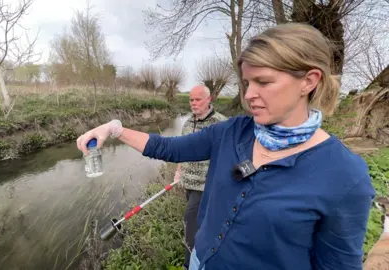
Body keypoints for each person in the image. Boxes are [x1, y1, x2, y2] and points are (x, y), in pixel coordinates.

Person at [76, 23, 375, 270]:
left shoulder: (346, 176)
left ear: (309, 81)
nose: (249, 96)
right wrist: (115, 129)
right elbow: (169, 148)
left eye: (264, 82)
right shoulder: (232, 131)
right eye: (247, 83)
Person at [174, 84, 227, 269]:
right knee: (201, 223)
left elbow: (228, 156)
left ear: (209, 99)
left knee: (190, 222)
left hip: (206, 187)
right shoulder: (188, 122)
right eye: (191, 100)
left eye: (198, 99)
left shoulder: (221, 124)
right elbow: (181, 149)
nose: (193, 103)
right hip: (188, 183)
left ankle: (190, 264)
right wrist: (178, 170)